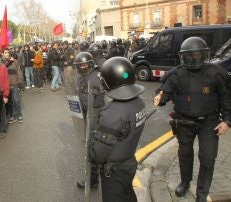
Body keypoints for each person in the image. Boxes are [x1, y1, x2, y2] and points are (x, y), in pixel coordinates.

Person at [153, 37, 231, 202]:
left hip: (209, 123)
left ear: (204, 55)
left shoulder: (216, 73)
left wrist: (227, 121)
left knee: (208, 158)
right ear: (183, 57)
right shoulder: (176, 74)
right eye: (190, 56)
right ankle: (185, 182)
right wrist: (160, 97)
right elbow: (165, 92)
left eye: (197, 55)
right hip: (184, 122)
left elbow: (226, 98)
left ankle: (202, 194)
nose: (194, 59)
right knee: (185, 154)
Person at [89, 56, 146, 201]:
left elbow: (99, 153)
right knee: (127, 193)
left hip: (114, 171)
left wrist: (91, 151)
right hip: (129, 162)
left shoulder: (113, 113)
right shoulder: (139, 102)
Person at [74, 52, 105, 190]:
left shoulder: (93, 79)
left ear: (90, 65)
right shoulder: (85, 76)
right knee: (92, 146)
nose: (82, 67)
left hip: (94, 115)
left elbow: (90, 101)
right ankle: (94, 178)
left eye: (84, 65)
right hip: (89, 115)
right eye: (79, 66)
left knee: (91, 147)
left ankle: (93, 180)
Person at [3, 48, 24, 124]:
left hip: (14, 84)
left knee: (16, 100)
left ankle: (18, 114)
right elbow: (2, 69)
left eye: (8, 52)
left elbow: (19, 72)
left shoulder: (15, 62)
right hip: (6, 86)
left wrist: (20, 82)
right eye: (5, 52)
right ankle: (11, 115)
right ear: (3, 54)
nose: (7, 53)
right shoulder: (2, 62)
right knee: (9, 102)